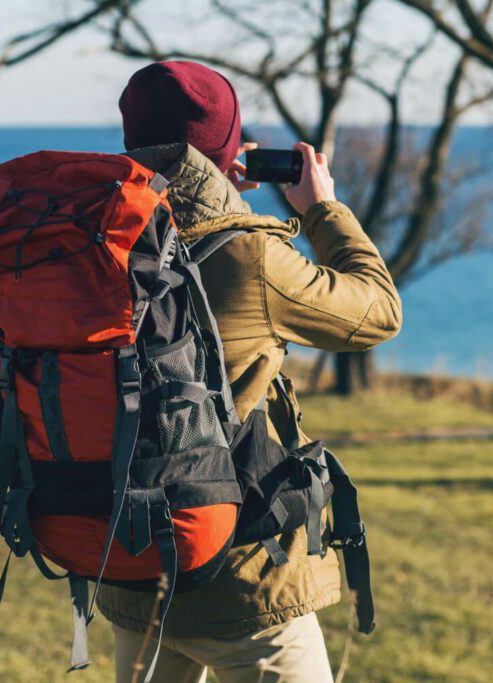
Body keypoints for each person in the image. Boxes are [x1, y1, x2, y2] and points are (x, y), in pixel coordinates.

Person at [99, 60, 402, 683]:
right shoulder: (251, 253)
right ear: (227, 150)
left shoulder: (95, 239)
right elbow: (378, 312)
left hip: (131, 568)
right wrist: (322, 209)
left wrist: (218, 197)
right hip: (241, 580)